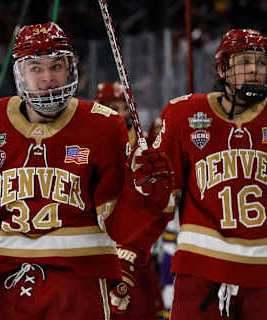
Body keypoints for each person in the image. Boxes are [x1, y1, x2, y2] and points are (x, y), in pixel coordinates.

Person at [0, 22, 173, 320]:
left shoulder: (104, 126)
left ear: (71, 68)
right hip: (4, 280)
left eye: (56, 65)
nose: (48, 78)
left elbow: (118, 225)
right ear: (20, 74)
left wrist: (143, 195)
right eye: (35, 68)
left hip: (80, 283)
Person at [147, 28, 267, 319]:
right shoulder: (185, 113)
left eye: (261, 64)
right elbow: (160, 190)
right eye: (245, 61)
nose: (255, 70)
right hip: (202, 270)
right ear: (223, 69)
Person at [94, 82, 166, 320]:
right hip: (100, 249)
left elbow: (161, 203)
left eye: (123, 107)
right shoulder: (90, 146)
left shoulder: (148, 145)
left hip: (138, 252)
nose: (119, 113)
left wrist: (137, 244)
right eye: (112, 107)